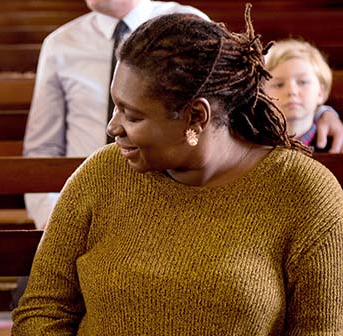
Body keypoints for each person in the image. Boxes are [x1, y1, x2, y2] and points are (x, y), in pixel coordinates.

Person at [0, 8, 343, 336]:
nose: (112, 127)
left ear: (196, 116)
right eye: (115, 106)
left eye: (132, 114)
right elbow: (43, 309)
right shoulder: (100, 176)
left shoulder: (304, 192)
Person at [22, 0, 343, 230]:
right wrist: (55, 221)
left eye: (132, 115)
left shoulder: (186, 24)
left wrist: (321, 112)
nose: (114, 126)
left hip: (181, 193)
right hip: (88, 208)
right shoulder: (61, 45)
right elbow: (41, 147)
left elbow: (232, 99)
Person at [265, 39, 335, 152]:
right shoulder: (253, 145)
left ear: (320, 93)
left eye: (303, 82)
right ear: (262, 94)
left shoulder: (335, 143)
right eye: (279, 85)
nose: (292, 91)